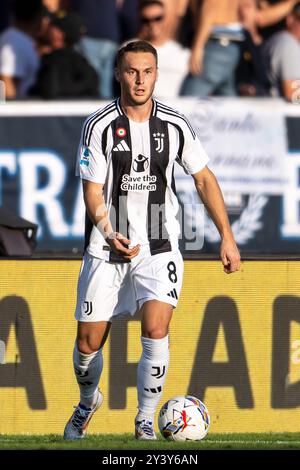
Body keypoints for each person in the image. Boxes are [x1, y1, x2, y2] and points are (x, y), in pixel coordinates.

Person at [64, 40, 240, 441]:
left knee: (156, 329)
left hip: (160, 242)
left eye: (147, 71)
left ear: (157, 74)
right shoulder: (100, 125)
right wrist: (109, 231)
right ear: (118, 74)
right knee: (88, 344)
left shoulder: (175, 125)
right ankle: (88, 400)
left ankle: (145, 419)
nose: (140, 80)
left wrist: (226, 237)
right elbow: (93, 192)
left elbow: (204, 178)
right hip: (107, 246)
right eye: (132, 71)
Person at [127, 0, 190, 99]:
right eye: (146, 20)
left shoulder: (182, 53)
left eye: (158, 18)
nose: (152, 24)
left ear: (166, 18)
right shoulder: (129, 50)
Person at [32, 11, 98, 99]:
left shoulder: (52, 62)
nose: (47, 29)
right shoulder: (83, 63)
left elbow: (48, 90)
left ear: (59, 34)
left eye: (51, 26)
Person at [0, 0, 43, 99]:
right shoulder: (14, 41)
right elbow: (6, 80)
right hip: (19, 112)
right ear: (39, 17)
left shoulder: (18, 39)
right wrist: (13, 112)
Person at [263, 1, 300, 100]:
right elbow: (294, 96)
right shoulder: (288, 44)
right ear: (290, 19)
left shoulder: (278, 40)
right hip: (278, 113)